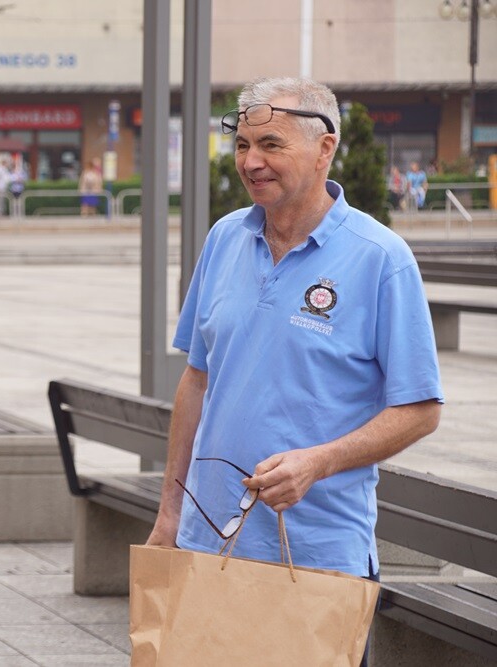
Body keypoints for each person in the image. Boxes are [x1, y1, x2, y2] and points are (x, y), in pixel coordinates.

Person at [145, 77, 443, 667]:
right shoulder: (225, 238)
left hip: (315, 557)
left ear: (324, 148)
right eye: (242, 145)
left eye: (272, 145)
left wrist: (318, 461)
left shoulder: (380, 258)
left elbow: (420, 410)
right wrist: (169, 513)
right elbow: (197, 380)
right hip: (208, 545)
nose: (251, 162)